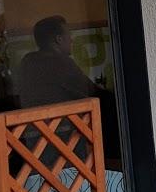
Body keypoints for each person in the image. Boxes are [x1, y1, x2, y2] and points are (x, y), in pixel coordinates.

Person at [17, 17, 119, 155]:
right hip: (60, 135)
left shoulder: (28, 61)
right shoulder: (60, 62)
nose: (71, 40)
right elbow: (92, 93)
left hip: (31, 136)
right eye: (69, 35)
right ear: (59, 39)